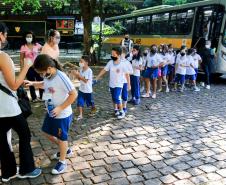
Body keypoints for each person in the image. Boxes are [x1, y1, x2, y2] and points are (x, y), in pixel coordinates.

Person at [0, 21, 42, 183]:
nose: (6, 37)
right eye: (5, 33)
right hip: (8, 107)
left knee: (2, 140)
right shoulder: (2, 56)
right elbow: (14, 85)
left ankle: (8, 172)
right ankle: (27, 169)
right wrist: (26, 66)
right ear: (0, 35)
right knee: (25, 135)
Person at [25, 54, 77, 174]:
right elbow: (45, 84)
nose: (41, 75)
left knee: (62, 138)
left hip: (62, 114)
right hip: (51, 112)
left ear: (49, 68)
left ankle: (62, 162)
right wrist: (32, 83)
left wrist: (60, 108)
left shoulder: (61, 77)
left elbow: (74, 94)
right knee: (45, 132)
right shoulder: (49, 76)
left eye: (41, 73)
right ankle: (65, 149)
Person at [95, 47, 130, 119]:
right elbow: (104, 70)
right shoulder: (110, 62)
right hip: (112, 84)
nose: (112, 55)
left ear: (119, 55)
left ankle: (121, 111)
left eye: (114, 54)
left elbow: (127, 74)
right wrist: (97, 77)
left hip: (119, 84)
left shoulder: (123, 64)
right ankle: (115, 110)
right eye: (112, 54)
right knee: (113, 98)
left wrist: (129, 84)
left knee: (117, 97)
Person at [20, 31, 43, 102]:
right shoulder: (23, 46)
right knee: (30, 82)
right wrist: (22, 69)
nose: (29, 38)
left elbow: (44, 50)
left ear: (33, 37)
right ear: (25, 37)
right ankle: (34, 98)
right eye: (27, 36)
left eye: (30, 36)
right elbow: (21, 59)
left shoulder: (37, 45)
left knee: (40, 80)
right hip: (28, 67)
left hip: (37, 67)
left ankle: (42, 96)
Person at [72, 55, 96, 121]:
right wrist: (76, 75)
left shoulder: (89, 71)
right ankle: (80, 115)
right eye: (80, 61)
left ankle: (93, 108)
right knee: (80, 102)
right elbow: (79, 79)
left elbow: (85, 80)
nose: (80, 62)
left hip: (88, 90)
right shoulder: (81, 69)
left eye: (81, 61)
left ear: (86, 62)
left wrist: (78, 75)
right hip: (81, 89)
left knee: (90, 103)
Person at [121, 46, 132, 113]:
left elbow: (130, 72)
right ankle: (118, 108)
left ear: (124, 53)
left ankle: (124, 107)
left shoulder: (127, 62)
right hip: (117, 82)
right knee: (117, 96)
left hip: (124, 82)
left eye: (121, 52)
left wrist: (128, 84)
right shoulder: (115, 61)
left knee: (124, 95)